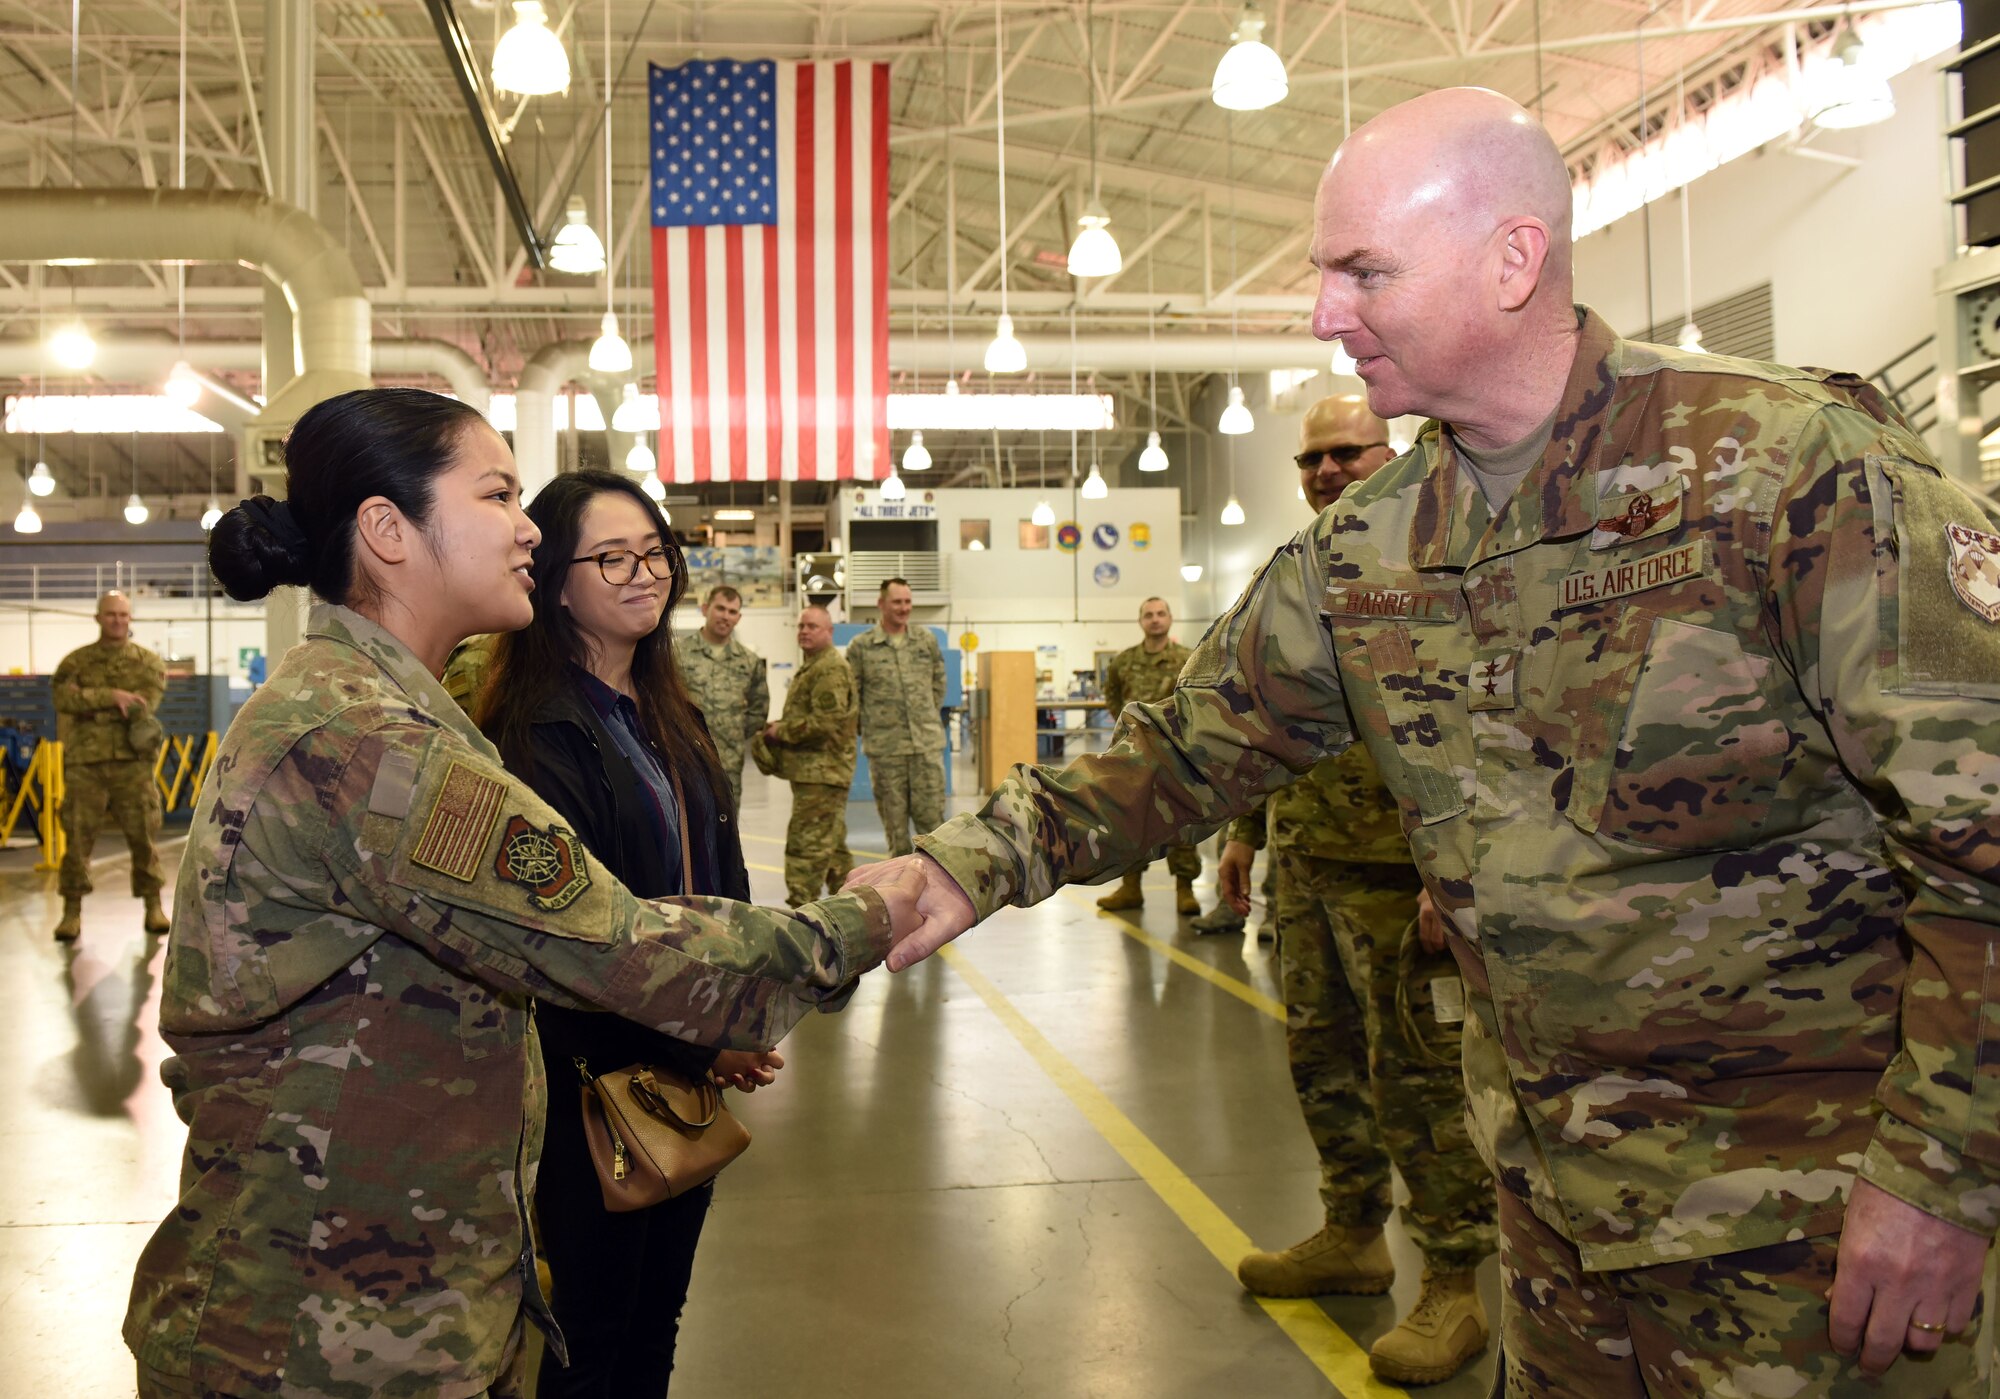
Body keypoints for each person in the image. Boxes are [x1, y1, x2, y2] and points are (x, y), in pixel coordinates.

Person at [855, 87, 2000, 1397]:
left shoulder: (1786, 469)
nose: (1322, 313)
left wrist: (1941, 1177)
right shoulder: (1371, 550)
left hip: (1804, 1221)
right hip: (1553, 1209)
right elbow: (1180, 750)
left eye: (1363, 271)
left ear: (1511, 260)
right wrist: (957, 867)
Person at [125, 388, 925, 1399]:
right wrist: (875, 910)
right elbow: (623, 946)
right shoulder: (368, 745)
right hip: (317, 1342)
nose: (528, 526)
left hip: (379, 1310)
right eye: (498, 493)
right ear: (388, 530)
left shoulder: (382, 712)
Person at [476, 472, 782, 1397]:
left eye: (655, 552)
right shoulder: (535, 732)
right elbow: (585, 938)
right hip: (588, 1082)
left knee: (656, 1323)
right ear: (553, 580)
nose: (646, 573)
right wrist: (705, 1028)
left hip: (678, 1068)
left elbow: (718, 878)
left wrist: (735, 1012)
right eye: (613, 557)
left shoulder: (664, 709)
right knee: (591, 1337)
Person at [1224, 395, 1495, 1385]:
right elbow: (1267, 709)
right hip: (1307, 860)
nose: (1328, 470)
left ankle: (1454, 1281)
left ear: (1395, 450)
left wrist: (1451, 866)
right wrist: (1246, 833)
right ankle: (1351, 1232)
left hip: (1400, 875)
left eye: (1346, 451)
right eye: (1311, 458)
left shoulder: (1448, 557)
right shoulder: (1305, 566)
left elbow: (1487, 719)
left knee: (1416, 1080)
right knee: (1320, 1061)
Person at [50, 590, 169, 942]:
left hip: (132, 764)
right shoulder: (75, 661)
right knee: (76, 838)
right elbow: (61, 699)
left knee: (143, 837)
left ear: (130, 619)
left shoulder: (148, 662)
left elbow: (142, 708)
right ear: (98, 618)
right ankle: (71, 912)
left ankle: (153, 907)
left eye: (123, 615)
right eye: (111, 614)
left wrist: (87, 701)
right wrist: (112, 697)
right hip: (85, 763)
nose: (117, 620)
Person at [1093, 597, 1200, 916]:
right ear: (1141, 621)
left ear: (1170, 618)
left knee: (1184, 820)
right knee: (1130, 821)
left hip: (1177, 753)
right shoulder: (1123, 661)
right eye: (1149, 615)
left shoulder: (1188, 658)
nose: (1155, 619)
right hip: (1134, 755)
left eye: (1161, 614)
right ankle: (1130, 887)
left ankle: (1185, 889)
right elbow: (1112, 696)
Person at [760, 606, 858, 907]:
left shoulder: (829, 669)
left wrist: (781, 731)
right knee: (832, 848)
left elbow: (826, 723)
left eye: (812, 626)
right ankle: (854, 904)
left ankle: (802, 912)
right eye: (801, 625)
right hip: (815, 774)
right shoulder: (814, 665)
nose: (804, 630)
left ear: (829, 632)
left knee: (807, 846)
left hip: (823, 774)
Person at [847, 577, 947, 856]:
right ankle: (904, 893)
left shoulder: (925, 641)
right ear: (881, 604)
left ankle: (939, 891)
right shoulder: (862, 647)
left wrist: (924, 717)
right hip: (886, 752)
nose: (904, 608)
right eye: (897, 602)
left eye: (907, 602)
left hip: (925, 748)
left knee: (935, 829)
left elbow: (938, 685)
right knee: (896, 831)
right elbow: (852, 696)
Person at [675, 584, 768, 812]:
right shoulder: (676, 655)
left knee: (727, 828)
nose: (726, 616)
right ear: (705, 608)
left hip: (729, 764)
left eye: (732, 612)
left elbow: (759, 710)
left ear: (738, 618)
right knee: (689, 828)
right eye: (720, 608)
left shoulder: (748, 661)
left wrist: (732, 735)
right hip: (686, 760)